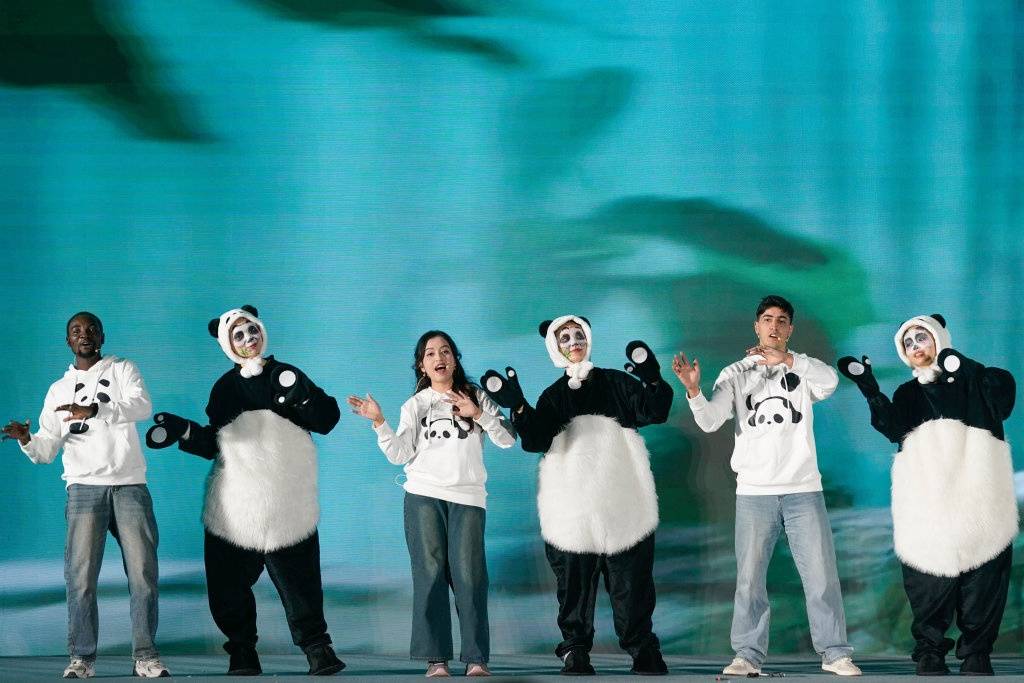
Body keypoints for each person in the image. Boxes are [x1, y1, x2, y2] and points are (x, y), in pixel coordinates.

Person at [142, 305, 344, 676]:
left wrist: (301, 396)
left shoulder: (287, 374)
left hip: (286, 500)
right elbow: (217, 444)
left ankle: (317, 648)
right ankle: (242, 651)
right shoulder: (224, 389)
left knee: (301, 583)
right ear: (227, 343)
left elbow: (327, 419)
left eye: (252, 329)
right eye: (239, 334)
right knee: (228, 585)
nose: (248, 338)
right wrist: (184, 431)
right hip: (236, 503)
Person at [672, 295, 860, 677]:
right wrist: (693, 391)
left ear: (790, 330)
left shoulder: (802, 368)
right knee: (749, 579)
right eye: (768, 319)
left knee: (821, 575)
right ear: (756, 326)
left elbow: (830, 382)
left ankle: (835, 653)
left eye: (782, 321)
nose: (774, 326)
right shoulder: (735, 372)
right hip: (754, 492)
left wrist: (789, 361)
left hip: (803, 488)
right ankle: (748, 655)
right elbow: (710, 420)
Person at [481, 315, 671, 676]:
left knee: (631, 583)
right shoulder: (554, 396)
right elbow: (535, 439)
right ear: (555, 347)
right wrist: (518, 407)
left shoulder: (617, 382)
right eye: (565, 337)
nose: (574, 342)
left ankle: (642, 647)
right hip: (573, 505)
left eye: (579, 334)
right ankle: (575, 649)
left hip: (622, 501)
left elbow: (654, 410)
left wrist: (651, 379)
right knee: (573, 585)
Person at [838, 314, 1017, 675]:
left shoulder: (980, 380)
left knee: (983, 580)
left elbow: (1003, 399)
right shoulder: (909, 394)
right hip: (928, 501)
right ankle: (930, 651)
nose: (915, 347)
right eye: (908, 343)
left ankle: (977, 652)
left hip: (980, 497)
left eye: (922, 337)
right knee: (928, 583)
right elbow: (892, 428)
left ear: (939, 338)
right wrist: (871, 391)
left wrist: (957, 366)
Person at [2, 312, 170, 679]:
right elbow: (47, 449)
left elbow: (143, 406)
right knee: (80, 579)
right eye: (76, 331)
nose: (85, 335)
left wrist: (96, 409)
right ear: (68, 341)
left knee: (143, 574)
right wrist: (27, 439)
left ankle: (146, 656)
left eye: (91, 329)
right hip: (82, 487)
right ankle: (82, 658)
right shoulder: (58, 390)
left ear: (102, 336)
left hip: (129, 484)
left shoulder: (123, 369)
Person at [348, 330, 515, 678]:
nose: (439, 357)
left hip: (468, 497)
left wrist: (478, 414)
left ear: (455, 359)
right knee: (430, 574)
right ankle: (436, 659)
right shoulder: (415, 405)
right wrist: (379, 422)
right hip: (423, 495)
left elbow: (507, 440)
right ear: (422, 366)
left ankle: (476, 658)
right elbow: (399, 454)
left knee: (470, 576)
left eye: (445, 351)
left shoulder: (476, 396)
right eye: (430, 353)